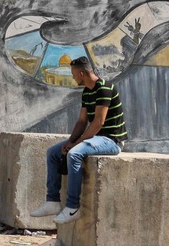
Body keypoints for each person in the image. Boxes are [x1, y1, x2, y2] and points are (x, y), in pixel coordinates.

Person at [30, 56, 127, 224]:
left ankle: (72, 207)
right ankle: (52, 201)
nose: (73, 77)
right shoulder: (87, 91)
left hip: (111, 140)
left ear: (81, 73)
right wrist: (70, 141)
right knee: (53, 152)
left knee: (74, 154)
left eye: (74, 74)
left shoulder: (105, 89)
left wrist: (75, 145)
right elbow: (82, 121)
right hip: (95, 138)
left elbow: (98, 123)